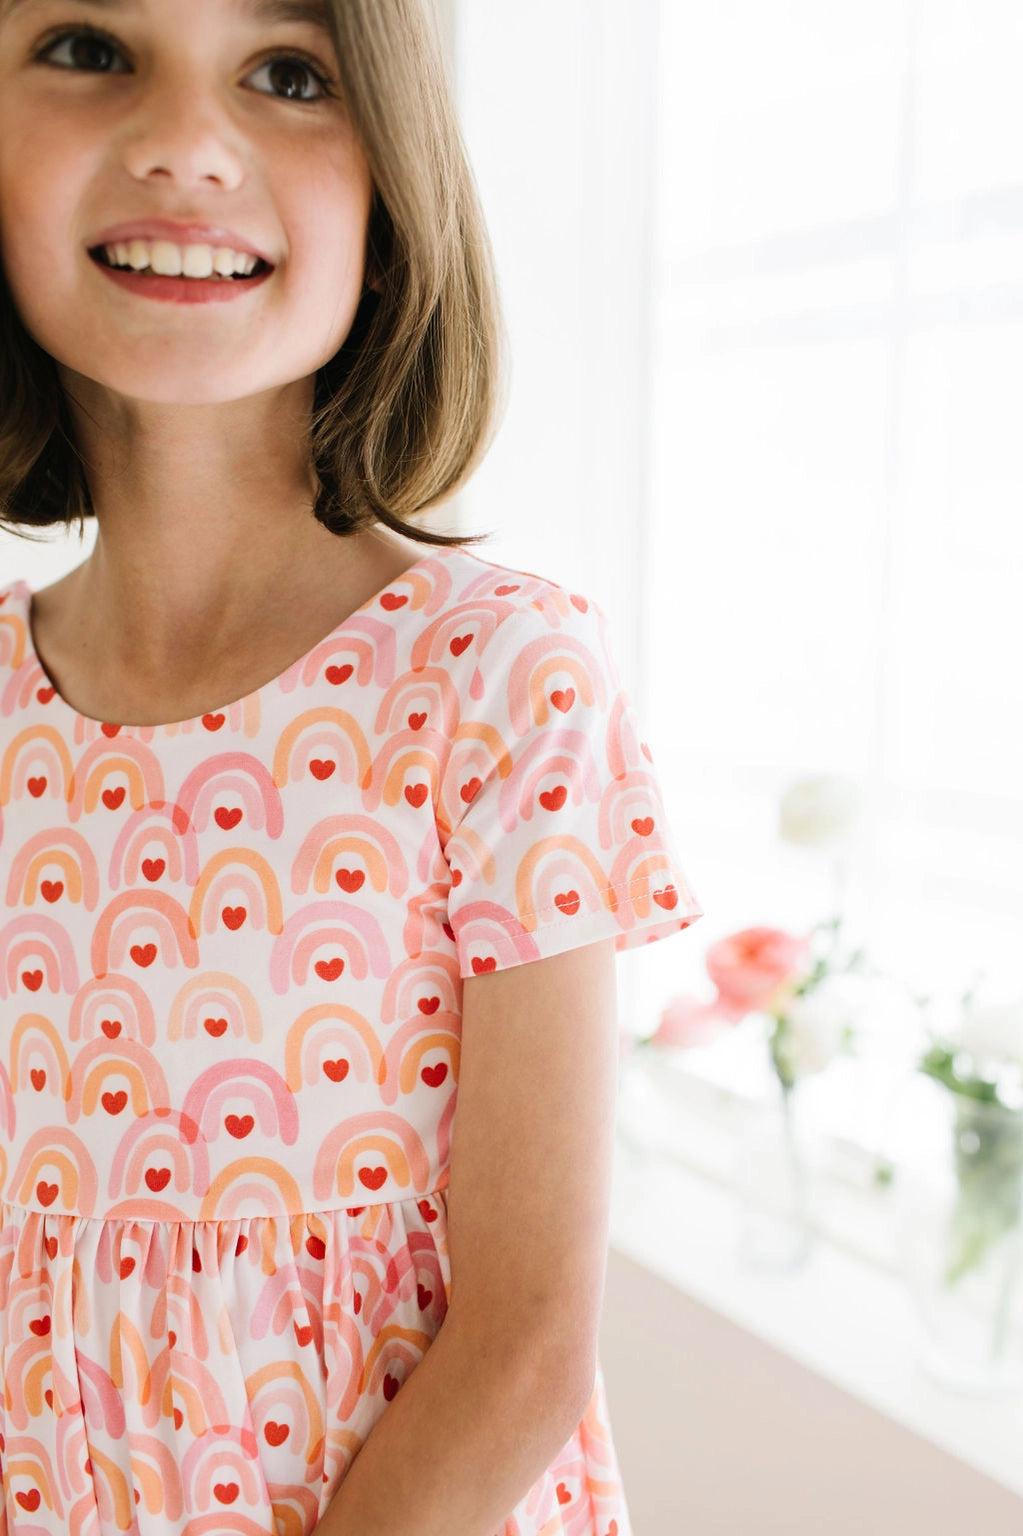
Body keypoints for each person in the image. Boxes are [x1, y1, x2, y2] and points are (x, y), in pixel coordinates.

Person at [0, 1, 704, 1532]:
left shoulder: (497, 677)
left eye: (288, 73)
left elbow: (525, 1347)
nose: (186, 142)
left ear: (391, 203)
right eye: (86, 47)